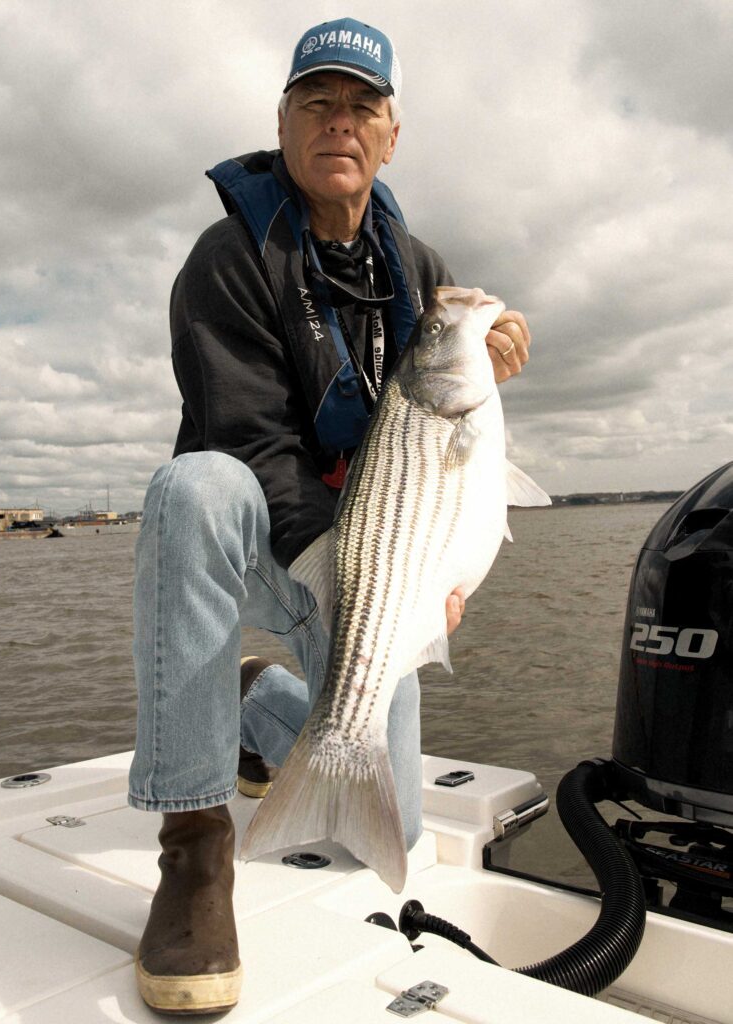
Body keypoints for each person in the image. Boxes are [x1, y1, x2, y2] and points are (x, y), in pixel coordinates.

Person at [128, 17, 531, 1016]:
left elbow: (449, 462)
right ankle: (193, 845)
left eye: (363, 105)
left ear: (391, 136)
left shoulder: (414, 264)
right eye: (318, 102)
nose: (340, 121)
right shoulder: (229, 255)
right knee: (191, 489)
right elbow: (245, 436)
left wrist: (435, 574)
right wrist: (356, 579)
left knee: (370, 833)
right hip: (283, 545)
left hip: (381, 558)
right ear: (283, 124)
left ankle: (264, 705)